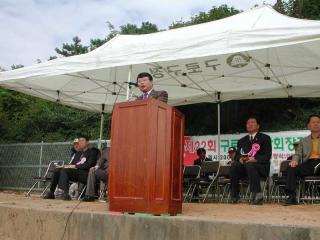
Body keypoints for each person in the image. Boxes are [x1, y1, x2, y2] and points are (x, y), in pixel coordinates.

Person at [230, 117, 272, 205]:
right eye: (248, 123)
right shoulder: (242, 141)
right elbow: (237, 154)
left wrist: (255, 159)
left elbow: (267, 156)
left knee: (250, 165)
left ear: (258, 126)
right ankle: (234, 196)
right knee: (234, 166)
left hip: (261, 167)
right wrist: (239, 159)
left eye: (252, 122)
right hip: (246, 167)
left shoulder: (265, 138)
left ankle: (258, 195)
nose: (250, 124)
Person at [44, 135, 98, 200]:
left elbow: (89, 165)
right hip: (76, 173)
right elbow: (72, 165)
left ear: (87, 142)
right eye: (79, 141)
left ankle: (65, 193)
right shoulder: (78, 153)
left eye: (82, 141)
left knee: (65, 171)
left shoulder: (92, 152)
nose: (80, 142)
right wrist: (67, 166)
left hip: (86, 174)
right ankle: (51, 192)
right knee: (57, 170)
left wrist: (75, 166)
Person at [285, 114, 320, 205]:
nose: (316, 124)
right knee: (291, 167)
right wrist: (294, 160)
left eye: (318, 122)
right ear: (308, 125)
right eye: (313, 122)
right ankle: (291, 197)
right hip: (309, 164)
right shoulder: (303, 141)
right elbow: (298, 153)